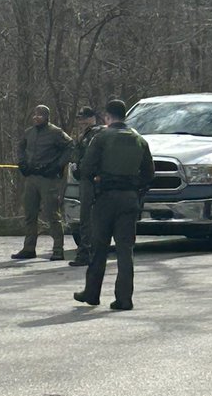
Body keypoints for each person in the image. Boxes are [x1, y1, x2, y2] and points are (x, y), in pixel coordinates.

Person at [73, 98, 154, 310]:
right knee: (125, 250)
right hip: (129, 198)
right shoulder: (139, 140)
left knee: (99, 247)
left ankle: (92, 293)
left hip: (105, 198)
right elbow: (149, 173)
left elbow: (86, 169)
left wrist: (96, 181)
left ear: (108, 117)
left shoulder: (101, 138)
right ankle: (124, 298)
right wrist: (136, 188)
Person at [11, 105, 73, 261]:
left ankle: (58, 249)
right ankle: (29, 248)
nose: (36, 117)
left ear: (47, 117)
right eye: (35, 114)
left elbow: (70, 146)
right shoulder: (29, 133)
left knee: (52, 214)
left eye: (40, 115)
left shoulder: (55, 133)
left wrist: (58, 165)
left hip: (48, 179)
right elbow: (20, 147)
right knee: (30, 214)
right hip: (31, 178)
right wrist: (22, 163)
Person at [69, 106, 104, 267]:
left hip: (92, 181)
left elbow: (94, 158)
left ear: (92, 118)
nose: (81, 121)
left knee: (88, 218)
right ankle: (86, 251)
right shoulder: (86, 135)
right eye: (80, 118)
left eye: (84, 118)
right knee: (86, 218)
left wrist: (83, 169)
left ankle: (86, 253)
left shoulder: (97, 134)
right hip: (85, 179)